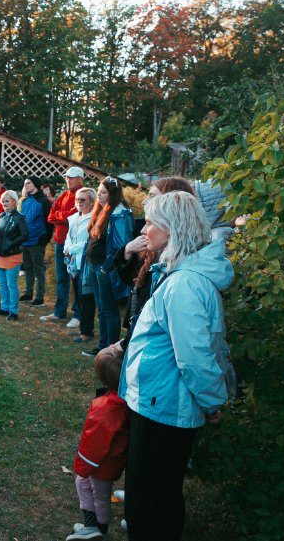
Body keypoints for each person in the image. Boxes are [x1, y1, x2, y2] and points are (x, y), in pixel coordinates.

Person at [118, 191, 231, 540]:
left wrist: (212, 402)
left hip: (164, 406)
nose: (145, 228)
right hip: (160, 402)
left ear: (173, 229)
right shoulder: (181, 273)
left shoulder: (185, 284)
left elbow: (196, 358)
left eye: (151, 222)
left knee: (151, 501)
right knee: (152, 494)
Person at [113, 178, 194, 349]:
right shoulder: (156, 244)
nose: (144, 201)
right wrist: (127, 251)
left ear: (170, 200)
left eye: (152, 196)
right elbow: (136, 282)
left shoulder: (177, 262)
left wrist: (129, 342)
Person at [67, 348, 131, 541]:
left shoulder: (105, 409)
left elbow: (95, 444)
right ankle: (92, 526)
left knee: (100, 495)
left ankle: (98, 531)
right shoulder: (126, 401)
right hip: (113, 460)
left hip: (103, 463)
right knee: (87, 486)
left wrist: (83, 466)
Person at [82, 177, 133, 357]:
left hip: (105, 270)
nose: (99, 196)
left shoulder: (119, 214)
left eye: (103, 192)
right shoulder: (102, 211)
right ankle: (102, 347)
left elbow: (120, 245)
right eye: (99, 191)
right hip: (95, 266)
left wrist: (105, 268)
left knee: (109, 310)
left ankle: (110, 350)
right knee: (102, 309)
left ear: (113, 194)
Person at [42, 167, 83, 324]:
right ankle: (60, 312)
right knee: (61, 278)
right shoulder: (64, 195)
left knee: (77, 280)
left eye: (72, 177)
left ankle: (77, 315)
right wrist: (65, 216)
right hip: (60, 242)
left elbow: (75, 216)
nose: (68, 180)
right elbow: (51, 216)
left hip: (75, 244)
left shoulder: (82, 195)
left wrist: (62, 216)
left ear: (80, 178)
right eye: (67, 177)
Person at [64, 187, 97, 343]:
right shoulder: (73, 217)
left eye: (83, 199)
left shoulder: (94, 219)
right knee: (78, 297)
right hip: (73, 263)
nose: (79, 202)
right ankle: (84, 328)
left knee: (86, 299)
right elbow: (69, 237)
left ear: (91, 201)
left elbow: (88, 242)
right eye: (78, 199)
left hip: (86, 264)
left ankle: (86, 333)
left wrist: (71, 249)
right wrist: (67, 248)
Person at [0, 190, 29, 320]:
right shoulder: (1, 216)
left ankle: (13, 311)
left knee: (12, 284)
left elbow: (24, 235)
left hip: (12, 255)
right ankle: (4, 308)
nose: (4, 204)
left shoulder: (19, 217)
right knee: (2, 284)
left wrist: (10, 244)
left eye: (7, 201)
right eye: (3, 201)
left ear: (14, 201)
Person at [18, 176, 53, 305]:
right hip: (25, 240)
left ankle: (39, 297)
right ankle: (28, 293)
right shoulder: (25, 201)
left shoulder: (44, 202)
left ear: (36, 185)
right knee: (28, 268)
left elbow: (49, 222)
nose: (25, 185)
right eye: (25, 183)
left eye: (28, 183)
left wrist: (45, 238)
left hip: (38, 240)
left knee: (38, 269)